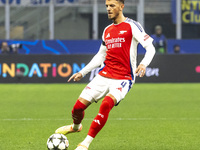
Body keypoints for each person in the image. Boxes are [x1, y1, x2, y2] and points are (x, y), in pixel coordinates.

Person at [55, 0, 156, 150]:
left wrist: (144, 64)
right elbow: (100, 56)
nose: (108, 9)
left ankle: (85, 144)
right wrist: (82, 72)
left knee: (106, 104)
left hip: (123, 77)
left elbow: (151, 48)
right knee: (77, 108)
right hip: (104, 75)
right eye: (107, 6)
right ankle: (76, 127)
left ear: (122, 6)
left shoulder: (132, 26)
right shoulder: (107, 30)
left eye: (112, 6)